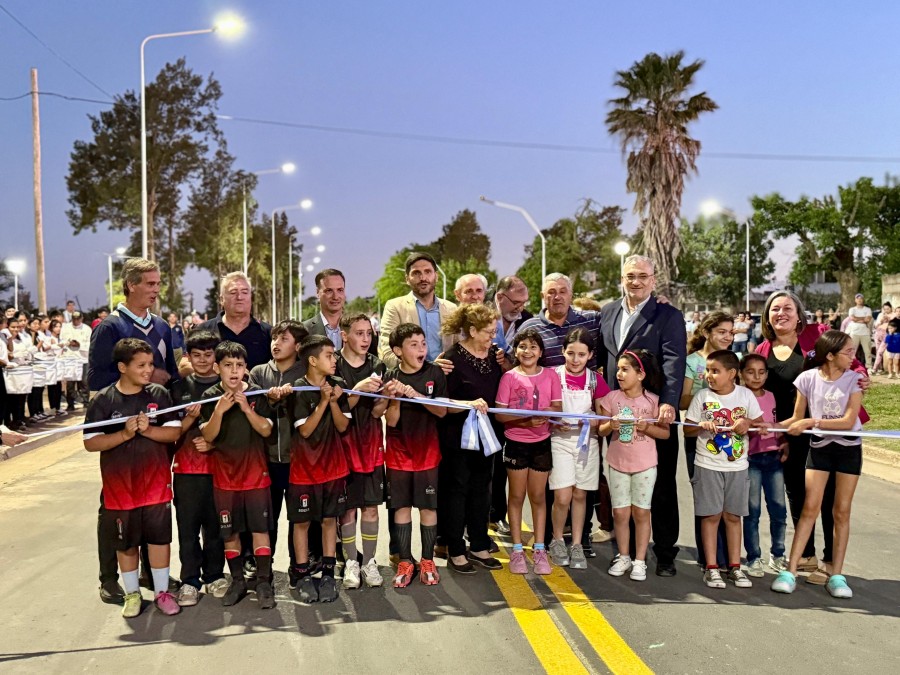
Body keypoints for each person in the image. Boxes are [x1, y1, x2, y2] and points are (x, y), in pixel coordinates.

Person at [754, 290, 868, 585]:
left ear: (799, 313)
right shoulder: (762, 350)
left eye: (787, 308)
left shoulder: (818, 335)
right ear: (767, 316)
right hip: (791, 429)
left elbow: (849, 359)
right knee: (797, 492)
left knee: (831, 499)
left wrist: (861, 374)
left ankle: (831, 563)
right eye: (774, 309)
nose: (781, 313)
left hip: (828, 429)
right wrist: (775, 430)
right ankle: (806, 555)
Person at [599, 255, 687, 577]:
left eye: (642, 276)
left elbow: (674, 363)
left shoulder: (668, 315)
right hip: (618, 412)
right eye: (630, 275)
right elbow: (600, 359)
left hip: (654, 412)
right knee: (622, 482)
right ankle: (627, 552)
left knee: (660, 485)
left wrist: (669, 402)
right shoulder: (607, 311)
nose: (635, 281)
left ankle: (664, 552)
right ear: (621, 277)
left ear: (653, 280)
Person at [83, 338, 184, 618]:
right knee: (125, 543)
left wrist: (147, 431)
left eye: (151, 364)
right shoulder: (104, 400)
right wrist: (124, 434)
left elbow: (174, 432)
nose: (148, 370)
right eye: (141, 365)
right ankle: (132, 594)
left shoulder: (160, 395)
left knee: (159, 540)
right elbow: (91, 442)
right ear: (122, 367)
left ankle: (162, 592)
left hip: (155, 485)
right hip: (120, 488)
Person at [772, 331, 864, 599]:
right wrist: (765, 426)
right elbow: (796, 418)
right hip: (820, 450)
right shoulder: (807, 379)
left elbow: (848, 421)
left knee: (841, 512)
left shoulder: (854, 379)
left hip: (848, 450)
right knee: (809, 507)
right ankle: (789, 571)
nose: (854, 357)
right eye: (848, 352)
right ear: (831, 355)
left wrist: (813, 423)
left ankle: (836, 574)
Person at [199, 342, 276, 609]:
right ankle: (238, 581)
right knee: (229, 532)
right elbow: (208, 436)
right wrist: (219, 410)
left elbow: (266, 430)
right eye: (228, 365)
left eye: (239, 365)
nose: (234, 371)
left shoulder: (257, 394)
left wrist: (246, 408)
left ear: (246, 368)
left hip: (256, 474)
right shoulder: (210, 397)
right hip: (225, 477)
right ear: (217, 367)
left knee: (259, 529)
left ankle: (265, 582)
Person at [685, 350, 763, 590]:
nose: (709, 375)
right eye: (708, 370)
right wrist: (700, 425)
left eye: (715, 371)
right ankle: (711, 567)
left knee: (732, 516)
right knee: (711, 516)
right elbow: (687, 429)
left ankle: (735, 567)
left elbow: (760, 424)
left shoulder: (746, 395)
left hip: (737, 467)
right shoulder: (702, 397)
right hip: (707, 465)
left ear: (732, 374)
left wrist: (747, 423)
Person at [437, 304, 504, 575]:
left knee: (482, 489)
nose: (493, 336)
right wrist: (468, 404)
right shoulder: (452, 359)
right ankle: (455, 548)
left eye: (494, 331)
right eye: (488, 332)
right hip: (458, 436)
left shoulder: (494, 357)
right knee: (457, 490)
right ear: (473, 330)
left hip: (487, 436)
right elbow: (443, 402)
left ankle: (478, 544)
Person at [383, 323, 449, 587]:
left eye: (423, 343)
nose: (421, 349)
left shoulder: (435, 373)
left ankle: (427, 560)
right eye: (414, 344)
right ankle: (405, 561)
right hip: (399, 454)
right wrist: (396, 397)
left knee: (428, 508)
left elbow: (442, 412)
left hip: (428, 453)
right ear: (398, 351)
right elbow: (391, 420)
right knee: (401, 508)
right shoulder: (390, 376)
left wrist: (416, 394)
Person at [287, 336, 351, 604]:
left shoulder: (338, 386)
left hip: (334, 468)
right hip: (304, 470)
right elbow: (305, 429)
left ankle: (327, 573)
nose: (334, 360)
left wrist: (334, 401)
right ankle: (302, 574)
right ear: (313, 361)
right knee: (301, 523)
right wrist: (323, 401)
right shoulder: (298, 390)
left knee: (329, 521)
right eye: (329, 355)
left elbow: (343, 426)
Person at [495, 328, 562, 576]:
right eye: (523, 346)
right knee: (516, 496)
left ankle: (540, 548)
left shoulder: (551, 376)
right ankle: (516, 549)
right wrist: (525, 421)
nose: (528, 351)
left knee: (538, 496)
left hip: (542, 444)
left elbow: (557, 407)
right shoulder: (509, 378)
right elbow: (501, 414)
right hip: (515, 443)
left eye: (533, 347)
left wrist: (546, 416)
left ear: (541, 352)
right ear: (516, 350)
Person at [247, 320, 309, 587]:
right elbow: (249, 407)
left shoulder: (307, 372)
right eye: (274, 338)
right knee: (266, 517)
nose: (276, 343)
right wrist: (268, 401)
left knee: (300, 519)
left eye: (284, 339)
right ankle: (264, 569)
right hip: (266, 460)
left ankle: (300, 568)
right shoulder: (258, 373)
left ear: (297, 346)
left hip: (299, 461)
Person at [169, 330, 227, 606]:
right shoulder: (178, 389)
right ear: (188, 357)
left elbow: (238, 432)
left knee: (215, 528)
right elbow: (168, 434)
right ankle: (189, 580)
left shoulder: (227, 387)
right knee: (188, 530)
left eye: (208, 354)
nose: (203, 360)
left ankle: (215, 574)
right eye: (197, 355)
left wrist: (215, 445)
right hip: (185, 471)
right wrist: (189, 421)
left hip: (219, 470)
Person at [598, 349, 667, 582]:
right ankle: (623, 555)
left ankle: (639, 560)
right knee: (620, 513)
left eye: (625, 369)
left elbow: (665, 434)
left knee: (641, 512)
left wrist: (647, 427)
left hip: (645, 465)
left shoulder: (653, 401)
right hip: (617, 463)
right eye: (618, 369)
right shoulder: (612, 398)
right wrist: (611, 426)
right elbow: (601, 429)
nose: (619, 373)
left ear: (640, 375)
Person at [548, 328, 610, 571]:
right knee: (562, 496)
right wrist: (556, 421)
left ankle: (575, 543)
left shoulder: (596, 380)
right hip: (560, 441)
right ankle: (556, 540)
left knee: (580, 495)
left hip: (587, 443)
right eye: (571, 353)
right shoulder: (553, 376)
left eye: (581, 355)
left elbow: (604, 419)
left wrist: (594, 421)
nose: (575, 360)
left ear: (590, 355)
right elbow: (546, 409)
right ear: (563, 351)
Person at [335, 313, 389, 589]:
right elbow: (340, 412)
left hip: (370, 445)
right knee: (347, 511)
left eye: (369, 333)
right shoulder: (333, 364)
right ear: (344, 335)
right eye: (359, 333)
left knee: (370, 507)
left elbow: (379, 411)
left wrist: (385, 398)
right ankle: (350, 563)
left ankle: (369, 561)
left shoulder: (377, 364)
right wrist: (356, 390)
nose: (365, 339)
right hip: (343, 447)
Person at [89, 258, 178, 393]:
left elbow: (172, 372)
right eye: (150, 284)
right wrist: (145, 377)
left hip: (160, 409)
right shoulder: (109, 327)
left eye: (158, 284)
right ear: (131, 285)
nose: (156, 290)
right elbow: (96, 379)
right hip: (127, 411)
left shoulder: (162, 326)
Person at [490, 275, 532, 536]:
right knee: (483, 462)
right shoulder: (482, 317)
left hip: (512, 403)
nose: (519, 307)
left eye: (523, 302)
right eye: (515, 301)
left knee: (504, 462)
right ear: (499, 297)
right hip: (482, 400)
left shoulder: (529, 321)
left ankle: (497, 514)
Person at [739, 353, 787, 577]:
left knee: (778, 509)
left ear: (767, 374)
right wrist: (751, 425)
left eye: (761, 372)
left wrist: (783, 440)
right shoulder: (739, 397)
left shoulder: (771, 396)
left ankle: (778, 554)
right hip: (751, 460)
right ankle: (753, 557)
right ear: (741, 374)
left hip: (773, 459)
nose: (756, 376)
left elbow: (775, 424)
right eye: (750, 371)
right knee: (752, 512)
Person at [378, 252, 458, 370]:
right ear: (407, 279)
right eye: (416, 273)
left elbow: (461, 349)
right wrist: (427, 369)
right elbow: (386, 353)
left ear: (436, 276)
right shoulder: (395, 307)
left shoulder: (451, 309)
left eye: (428, 272)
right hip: (409, 384)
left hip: (447, 382)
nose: (423, 278)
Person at [188, 272, 272, 374]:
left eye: (245, 292)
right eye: (233, 292)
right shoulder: (202, 330)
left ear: (251, 298)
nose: (239, 297)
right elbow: (185, 364)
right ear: (221, 299)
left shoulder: (268, 333)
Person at [304, 269, 347, 350]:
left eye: (340, 290)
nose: (335, 297)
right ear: (317, 292)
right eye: (329, 291)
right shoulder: (304, 331)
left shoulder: (359, 329)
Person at [61, 311, 92, 409]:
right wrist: (68, 342)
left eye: (78, 319)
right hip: (70, 357)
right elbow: (61, 340)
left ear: (81, 319)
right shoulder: (66, 327)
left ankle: (85, 401)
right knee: (70, 382)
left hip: (82, 358)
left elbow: (90, 344)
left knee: (84, 382)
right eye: (74, 318)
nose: (76, 320)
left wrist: (79, 344)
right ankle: (70, 403)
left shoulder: (87, 329)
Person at [847, 293, 873, 370]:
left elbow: (868, 319)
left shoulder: (867, 309)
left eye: (861, 298)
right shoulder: (852, 309)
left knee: (867, 351)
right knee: (852, 351)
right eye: (858, 298)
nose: (859, 300)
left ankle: (869, 367)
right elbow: (852, 318)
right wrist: (863, 319)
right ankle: (850, 365)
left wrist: (857, 319)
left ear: (863, 299)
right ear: (855, 300)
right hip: (854, 332)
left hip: (865, 332)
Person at [872, 302, 894, 374]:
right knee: (877, 350)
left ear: (891, 308)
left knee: (880, 352)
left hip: (886, 334)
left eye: (888, 308)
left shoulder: (893, 315)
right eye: (885, 309)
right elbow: (875, 325)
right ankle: (880, 368)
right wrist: (881, 321)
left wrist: (889, 319)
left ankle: (874, 369)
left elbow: (894, 325)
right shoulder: (880, 315)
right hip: (878, 333)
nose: (886, 310)